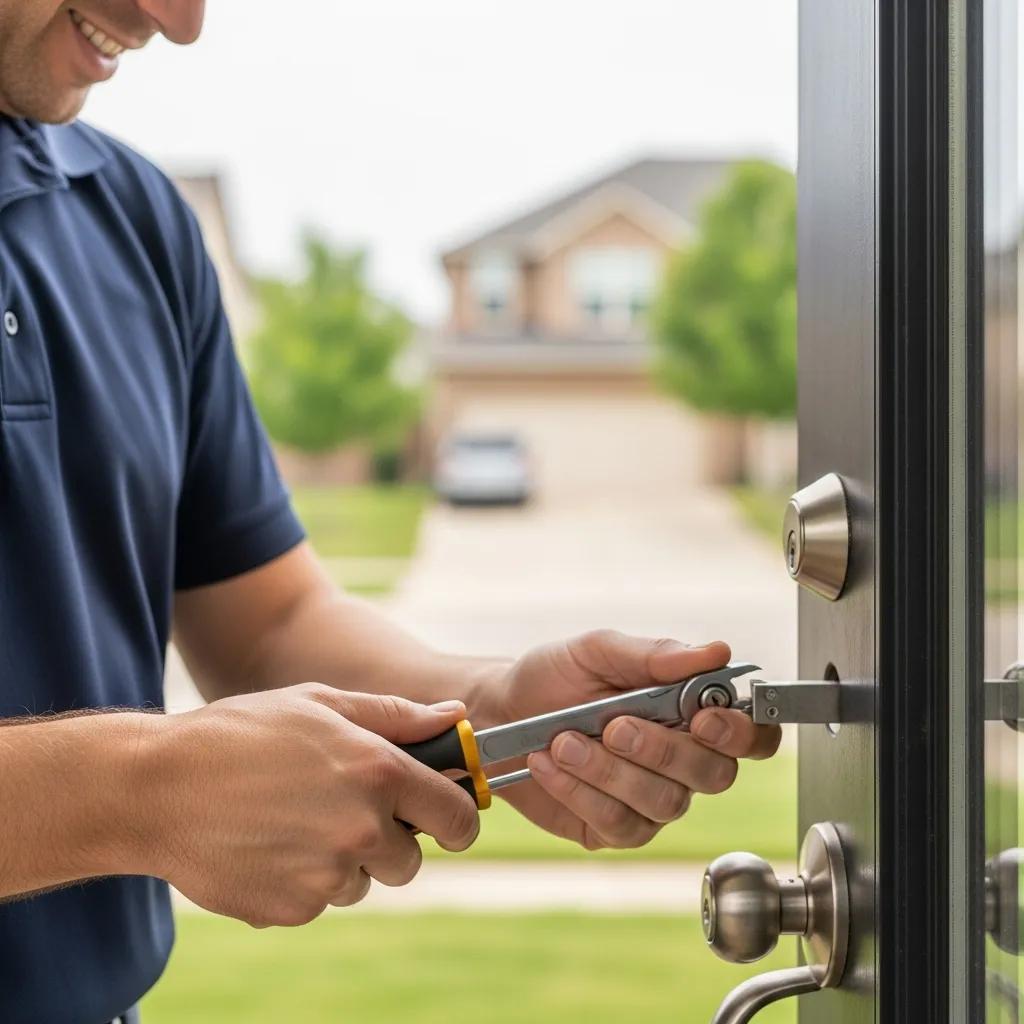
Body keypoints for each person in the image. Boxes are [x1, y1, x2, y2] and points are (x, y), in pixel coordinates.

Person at [0, 3, 782, 1022]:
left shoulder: (131, 220)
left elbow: (268, 623)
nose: (176, 20)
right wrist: (139, 792)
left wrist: (491, 709)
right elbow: (150, 777)